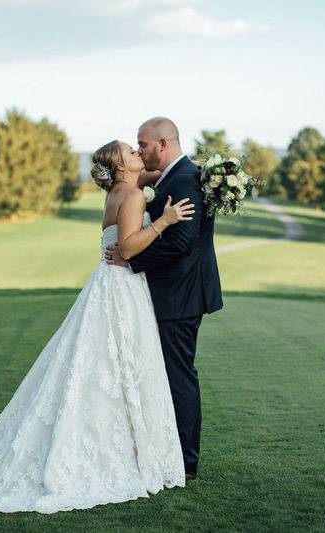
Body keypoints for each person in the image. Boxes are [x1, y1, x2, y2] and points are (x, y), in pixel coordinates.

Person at [0, 139, 196, 514]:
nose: (138, 153)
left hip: (108, 284)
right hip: (122, 285)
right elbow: (126, 249)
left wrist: (211, 175)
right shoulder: (133, 196)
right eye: (131, 151)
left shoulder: (118, 191)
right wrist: (164, 221)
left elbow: (168, 167)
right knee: (114, 361)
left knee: (102, 363)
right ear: (121, 166)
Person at [106, 117, 223, 480]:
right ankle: (159, 449)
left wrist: (131, 258)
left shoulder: (185, 178)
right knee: (162, 374)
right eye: (134, 147)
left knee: (178, 377)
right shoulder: (175, 174)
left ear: (162, 144)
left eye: (142, 143)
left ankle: (186, 464)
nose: (138, 149)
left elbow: (181, 242)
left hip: (180, 295)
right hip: (171, 291)